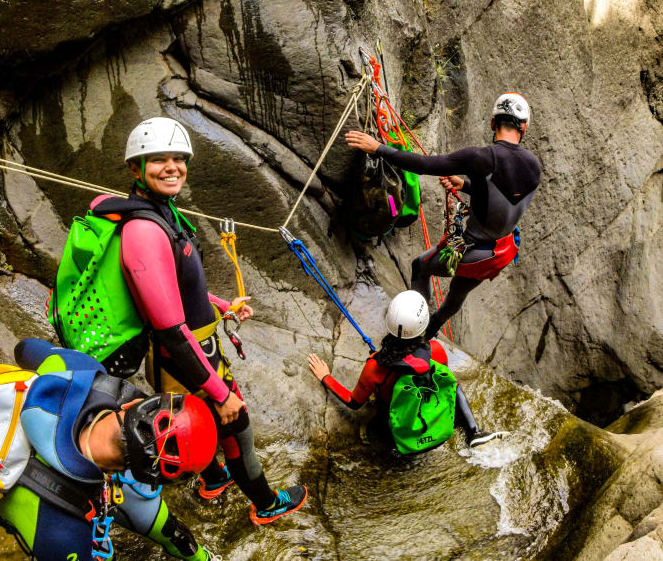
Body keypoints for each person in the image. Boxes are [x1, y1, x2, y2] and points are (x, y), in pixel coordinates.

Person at [87, 116, 307, 524]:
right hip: (185, 356)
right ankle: (266, 504)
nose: (172, 167)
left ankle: (215, 479)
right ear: (135, 168)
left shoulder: (162, 213)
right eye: (158, 160)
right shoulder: (144, 231)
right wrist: (221, 394)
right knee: (236, 425)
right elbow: (171, 329)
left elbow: (177, 291)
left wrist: (223, 305)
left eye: (178, 159)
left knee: (204, 423)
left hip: (189, 352)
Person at [0, 338, 221, 561]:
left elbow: (25, 348)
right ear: (152, 478)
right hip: (100, 495)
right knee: (172, 532)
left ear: (131, 404)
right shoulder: (63, 536)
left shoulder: (80, 367)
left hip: (26, 483)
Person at [346, 93, 541, 339]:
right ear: (524, 126)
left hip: (472, 250)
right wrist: (465, 185)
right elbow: (506, 198)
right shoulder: (534, 165)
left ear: (493, 123)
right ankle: (431, 330)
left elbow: (424, 165)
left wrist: (379, 148)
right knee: (458, 292)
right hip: (499, 254)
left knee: (420, 267)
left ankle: (413, 329)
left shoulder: (481, 158)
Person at [307, 291, 505, 448]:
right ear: (423, 324)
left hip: (401, 429)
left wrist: (326, 377)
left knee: (381, 399)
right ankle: (473, 432)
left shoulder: (374, 367)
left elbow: (354, 402)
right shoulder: (436, 350)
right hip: (432, 418)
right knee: (452, 383)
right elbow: (441, 385)